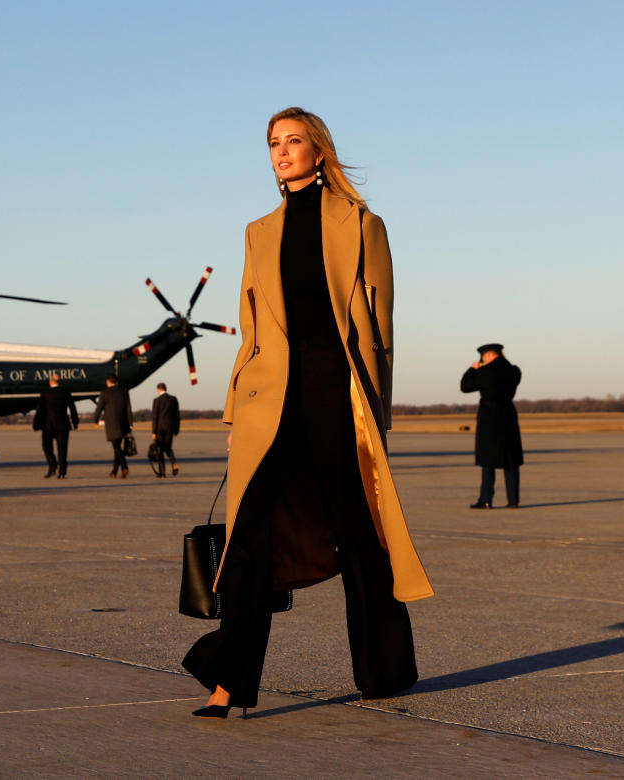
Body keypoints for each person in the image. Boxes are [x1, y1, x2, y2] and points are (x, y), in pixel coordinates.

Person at [182, 107, 433, 720]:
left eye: (294, 142)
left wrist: (378, 409)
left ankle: (384, 670)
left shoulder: (362, 224)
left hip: (337, 396)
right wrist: (234, 411)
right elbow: (251, 331)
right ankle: (229, 680)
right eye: (274, 143)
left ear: (319, 151)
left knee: (359, 533)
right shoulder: (257, 231)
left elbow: (382, 326)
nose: (282, 152)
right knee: (248, 541)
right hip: (271, 402)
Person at [460, 343, 524, 508]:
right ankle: (513, 500)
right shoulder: (514, 371)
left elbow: (465, 387)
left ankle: (486, 499)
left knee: (488, 460)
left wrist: (472, 369)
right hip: (508, 415)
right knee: (510, 460)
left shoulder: (484, 372)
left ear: (487, 355)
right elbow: (509, 373)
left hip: (490, 418)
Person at [33, 374, 79, 478]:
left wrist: (36, 424)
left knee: (46, 447)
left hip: (48, 425)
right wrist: (75, 422)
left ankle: (52, 466)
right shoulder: (65, 392)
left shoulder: (45, 393)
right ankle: (62, 472)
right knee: (62, 449)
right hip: (63, 425)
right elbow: (72, 408)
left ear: (51, 382)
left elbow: (39, 410)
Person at [92, 374, 132, 478]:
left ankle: (124, 467)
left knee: (116, 447)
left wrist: (95, 420)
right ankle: (114, 472)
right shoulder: (124, 391)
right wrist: (130, 423)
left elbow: (99, 408)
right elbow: (128, 408)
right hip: (124, 423)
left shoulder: (105, 393)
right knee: (117, 448)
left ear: (108, 382)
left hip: (112, 424)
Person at [150, 382, 180, 477]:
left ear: (158, 389)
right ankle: (174, 462)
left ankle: (162, 472)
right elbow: (177, 416)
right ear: (166, 389)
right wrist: (176, 429)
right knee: (167, 448)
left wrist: (154, 431)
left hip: (160, 428)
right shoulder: (173, 399)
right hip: (170, 427)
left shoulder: (157, 400)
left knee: (159, 449)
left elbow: (155, 416)